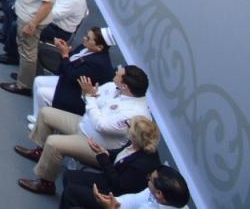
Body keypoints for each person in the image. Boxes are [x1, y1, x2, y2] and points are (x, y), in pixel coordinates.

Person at [16, 64, 152, 194]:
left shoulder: (134, 113)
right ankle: (40, 153)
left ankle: (45, 183)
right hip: (85, 123)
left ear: (125, 86)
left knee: (53, 143)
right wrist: (88, 97)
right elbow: (89, 100)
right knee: (46, 113)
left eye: (118, 74)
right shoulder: (112, 86)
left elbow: (102, 126)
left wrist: (91, 99)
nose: (115, 72)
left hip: (96, 145)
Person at [57, 117, 163, 208]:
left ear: (135, 136)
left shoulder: (142, 165)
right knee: (68, 176)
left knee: (70, 192)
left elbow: (118, 184)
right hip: (109, 179)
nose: (127, 127)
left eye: (129, 126)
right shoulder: (136, 144)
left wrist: (102, 157)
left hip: (114, 193)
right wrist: (104, 151)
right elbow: (120, 154)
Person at [29, 27, 115, 125]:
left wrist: (65, 55)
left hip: (78, 95)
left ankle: (41, 123)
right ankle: (37, 117)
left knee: (42, 93)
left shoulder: (98, 64)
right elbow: (69, 62)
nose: (84, 38)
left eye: (88, 38)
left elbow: (71, 74)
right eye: (86, 35)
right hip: (70, 83)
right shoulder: (84, 48)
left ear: (99, 47)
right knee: (38, 80)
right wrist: (66, 50)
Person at [89, 166, 189, 209]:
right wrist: (114, 202)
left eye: (150, 179)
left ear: (159, 194)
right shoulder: (155, 193)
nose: (148, 179)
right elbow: (133, 200)